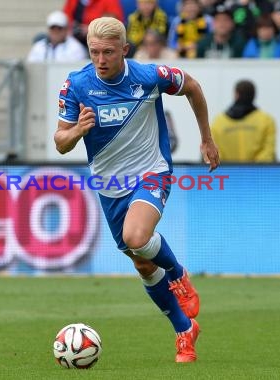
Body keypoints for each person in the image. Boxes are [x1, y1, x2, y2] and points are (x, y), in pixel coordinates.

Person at [54, 16, 220, 363]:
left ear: (124, 50)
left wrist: (206, 137)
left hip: (151, 171)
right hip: (109, 184)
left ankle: (178, 274)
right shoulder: (76, 85)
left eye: (109, 53)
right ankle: (184, 330)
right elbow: (61, 142)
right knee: (143, 265)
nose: (101, 60)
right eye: (95, 52)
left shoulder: (147, 77)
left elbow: (192, 86)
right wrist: (77, 131)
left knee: (136, 236)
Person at [210, 79, 276, 162]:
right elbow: (268, 153)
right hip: (257, 173)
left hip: (227, 172)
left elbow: (214, 152)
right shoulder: (267, 120)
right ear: (254, 95)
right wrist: (252, 170)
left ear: (236, 94)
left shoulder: (218, 122)